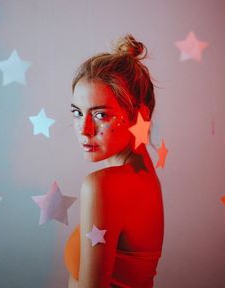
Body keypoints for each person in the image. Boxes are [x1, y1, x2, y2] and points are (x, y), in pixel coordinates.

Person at [64, 34, 164, 288]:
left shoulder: (103, 185)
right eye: (77, 112)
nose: (84, 129)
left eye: (100, 114)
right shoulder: (144, 178)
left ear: (138, 115)